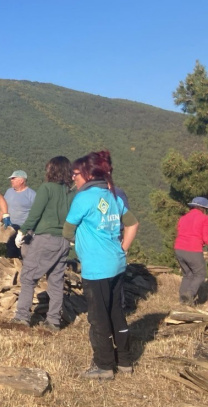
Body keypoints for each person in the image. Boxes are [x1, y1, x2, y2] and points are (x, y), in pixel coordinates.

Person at [63, 151, 139, 380]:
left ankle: (104, 366)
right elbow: (133, 224)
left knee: (98, 317)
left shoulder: (83, 199)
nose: (73, 178)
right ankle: (125, 361)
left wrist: (82, 243)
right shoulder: (113, 195)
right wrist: (122, 248)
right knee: (116, 312)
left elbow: (67, 230)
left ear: (86, 174)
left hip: (96, 267)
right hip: (116, 263)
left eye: (75, 174)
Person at [10, 157, 73, 331]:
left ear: (51, 170)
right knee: (56, 280)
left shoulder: (46, 188)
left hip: (45, 238)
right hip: (64, 240)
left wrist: (22, 232)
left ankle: (22, 317)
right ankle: (53, 321)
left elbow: (35, 214)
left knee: (28, 277)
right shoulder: (69, 191)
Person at [174, 197, 208, 306]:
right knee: (200, 274)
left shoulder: (183, 218)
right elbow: (206, 237)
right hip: (192, 249)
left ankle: (183, 301)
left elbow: (179, 230)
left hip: (179, 248)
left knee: (187, 274)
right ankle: (189, 294)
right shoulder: (204, 218)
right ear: (203, 208)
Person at [2, 170, 37, 258]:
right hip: (10, 228)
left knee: (25, 253)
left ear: (21, 181)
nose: (11, 180)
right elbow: (3, 207)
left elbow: (37, 213)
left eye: (13, 178)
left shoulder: (32, 195)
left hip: (25, 229)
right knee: (11, 253)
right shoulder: (9, 191)